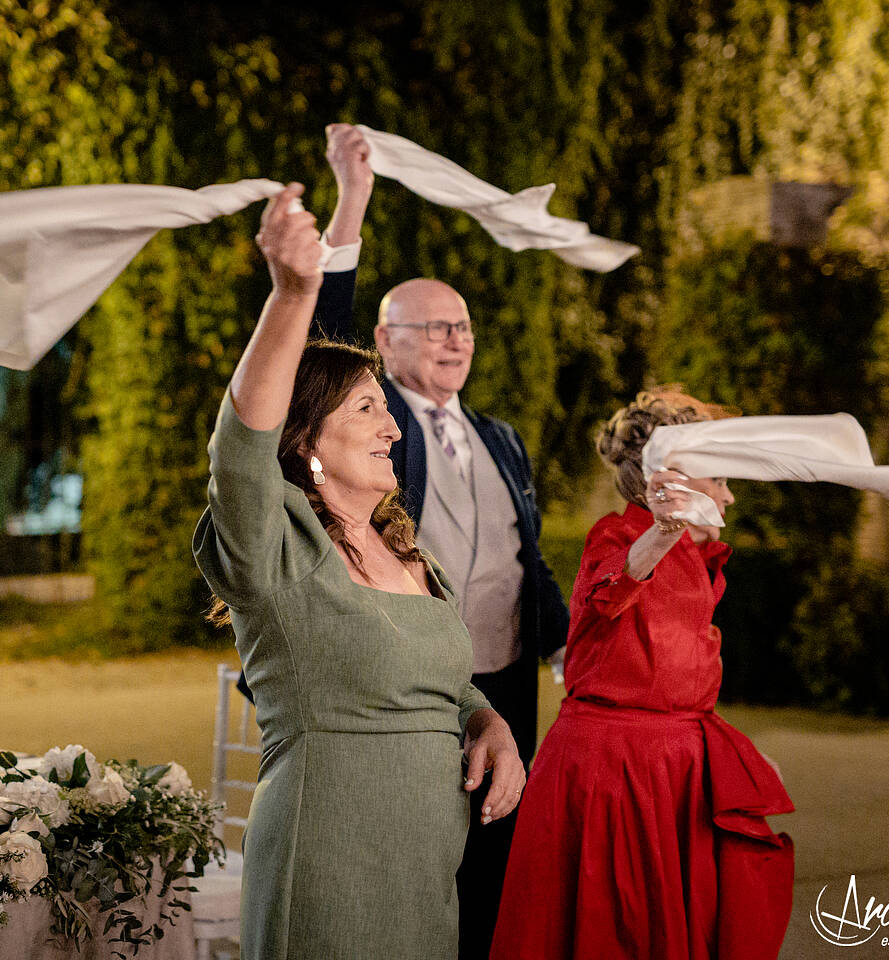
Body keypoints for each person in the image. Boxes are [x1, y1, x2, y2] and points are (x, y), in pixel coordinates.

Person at [193, 183, 525, 959]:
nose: (390, 427)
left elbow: (445, 680)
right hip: (329, 865)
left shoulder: (411, 554)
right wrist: (294, 293)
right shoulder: (278, 549)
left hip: (425, 873)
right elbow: (239, 446)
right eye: (367, 410)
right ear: (306, 435)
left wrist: (487, 720)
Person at [312, 122, 571, 959]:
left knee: (500, 857)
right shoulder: (380, 434)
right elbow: (320, 334)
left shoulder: (501, 437)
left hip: (509, 675)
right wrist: (352, 200)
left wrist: (564, 639)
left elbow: (521, 554)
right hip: (416, 681)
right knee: (427, 857)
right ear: (384, 345)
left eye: (460, 326)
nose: (453, 340)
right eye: (431, 328)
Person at [490, 387, 794, 960]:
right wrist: (663, 528)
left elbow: (676, 676)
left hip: (673, 768)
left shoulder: (700, 559)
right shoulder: (622, 535)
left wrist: (729, 753)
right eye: (720, 480)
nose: (729, 497)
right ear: (676, 479)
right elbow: (612, 590)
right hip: (611, 773)